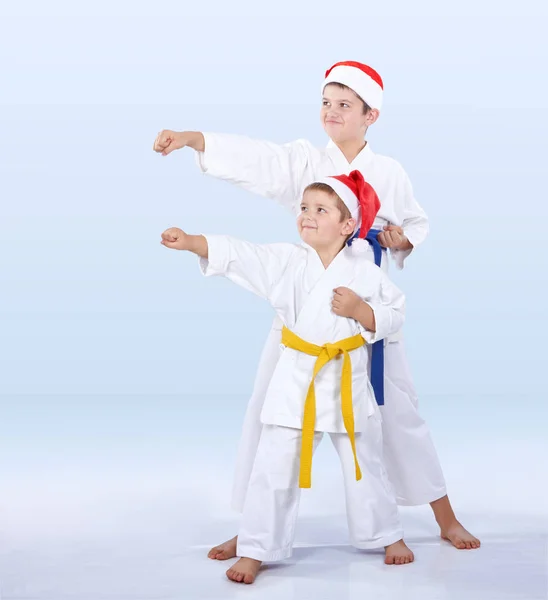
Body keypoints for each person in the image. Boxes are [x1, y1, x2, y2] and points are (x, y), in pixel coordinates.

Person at [153, 60, 480, 552]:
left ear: (371, 116)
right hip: (302, 305)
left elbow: (413, 226)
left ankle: (443, 515)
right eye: (326, 103)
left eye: (345, 105)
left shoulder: (389, 171)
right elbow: (257, 160)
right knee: (269, 411)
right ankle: (255, 531)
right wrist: (196, 139)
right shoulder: (306, 161)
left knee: (397, 412)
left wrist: (399, 239)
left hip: (364, 306)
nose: (332, 112)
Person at [161, 171, 414, 584]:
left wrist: (360, 311)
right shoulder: (287, 260)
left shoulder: (365, 273)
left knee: (366, 465)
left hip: (347, 383)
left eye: (320, 209)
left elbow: (395, 313)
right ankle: (257, 547)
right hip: (297, 381)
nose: (307, 216)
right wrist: (192, 242)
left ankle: (387, 535)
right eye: (303, 208)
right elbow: (241, 254)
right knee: (274, 466)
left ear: (348, 224)